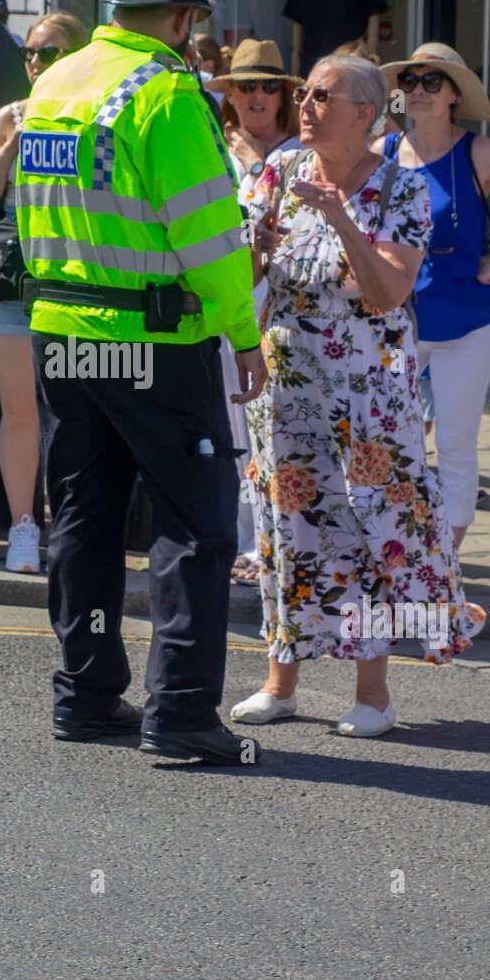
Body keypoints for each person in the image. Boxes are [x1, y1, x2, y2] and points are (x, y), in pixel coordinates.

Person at [19, 0, 267, 765]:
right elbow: (210, 236)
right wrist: (243, 334)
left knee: (83, 518)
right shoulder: (166, 94)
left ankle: (86, 695)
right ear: (184, 16)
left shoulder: (56, 83)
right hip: (157, 342)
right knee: (197, 524)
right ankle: (184, 713)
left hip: (61, 332)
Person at [230, 55, 482, 739]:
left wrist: (343, 220)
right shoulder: (278, 172)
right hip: (287, 389)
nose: (304, 105)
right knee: (287, 530)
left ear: (366, 114)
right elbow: (246, 270)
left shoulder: (403, 190)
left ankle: (374, 695)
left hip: (370, 400)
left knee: (372, 534)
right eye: (303, 94)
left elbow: (390, 292)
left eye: (322, 96)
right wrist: (255, 245)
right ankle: (281, 680)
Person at [377, 44, 490, 547]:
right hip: (395, 320)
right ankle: (393, 549)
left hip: (466, 322)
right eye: (411, 81)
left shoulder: (477, 152)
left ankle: (445, 565)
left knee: (455, 445)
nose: (418, 90)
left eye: (432, 81)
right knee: (387, 443)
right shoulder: (382, 152)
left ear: (454, 95)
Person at [0, 11, 88, 574]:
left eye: (53, 53)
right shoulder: (9, 116)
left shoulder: (96, 116)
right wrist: (15, 140)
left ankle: (75, 528)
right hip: (13, 278)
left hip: (77, 282)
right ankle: (22, 527)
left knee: (75, 413)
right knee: (19, 410)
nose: (39, 63)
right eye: (32, 53)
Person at [204, 38, 302, 584]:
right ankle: (244, 537)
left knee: (273, 422)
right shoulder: (213, 146)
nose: (259, 95)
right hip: (225, 298)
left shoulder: (300, 150)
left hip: (282, 303)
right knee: (233, 416)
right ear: (231, 94)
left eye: (270, 86)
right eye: (247, 85)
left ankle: (271, 538)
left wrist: (256, 163)